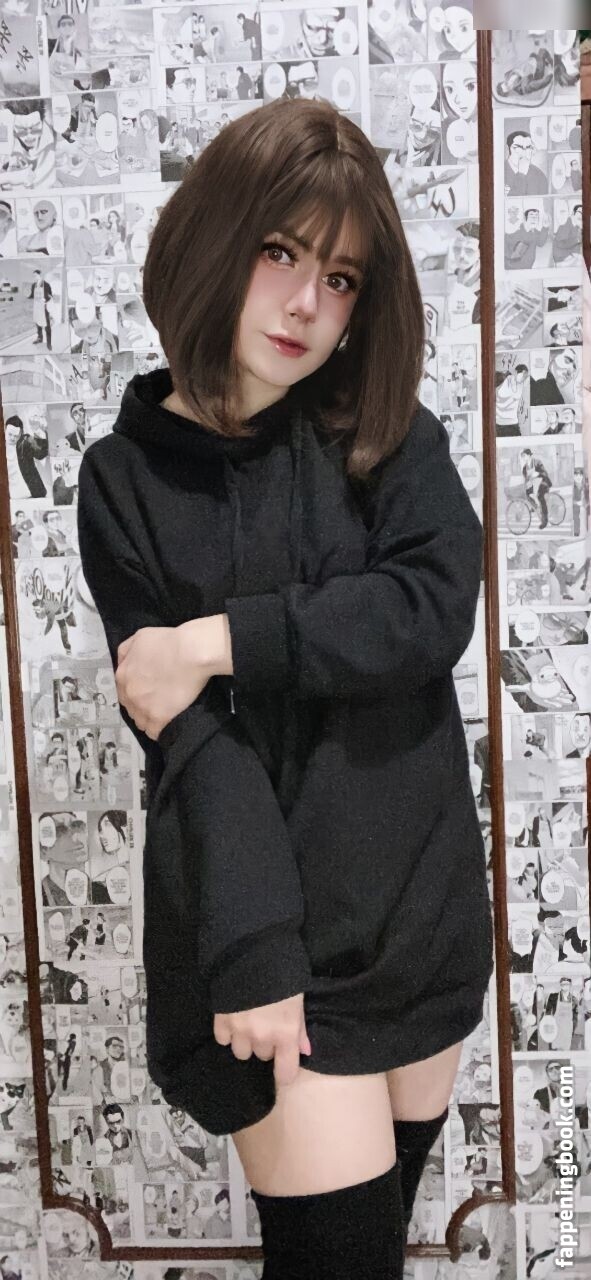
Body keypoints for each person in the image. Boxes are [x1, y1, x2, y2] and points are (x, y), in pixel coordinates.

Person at [76, 96, 493, 1277]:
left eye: (342, 277)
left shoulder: (382, 430)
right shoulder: (124, 482)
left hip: (420, 920)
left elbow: (427, 610)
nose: (308, 302)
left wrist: (219, 638)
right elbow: (193, 744)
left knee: (374, 1246)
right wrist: (257, 947)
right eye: (281, 253)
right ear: (216, 239)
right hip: (282, 951)